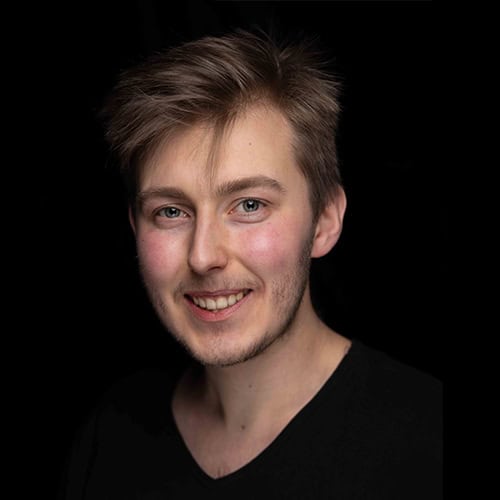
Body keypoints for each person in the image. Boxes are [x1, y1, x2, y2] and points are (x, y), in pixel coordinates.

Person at [59, 29, 442, 499]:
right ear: (136, 228)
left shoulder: (427, 444)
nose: (204, 256)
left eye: (249, 205)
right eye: (171, 212)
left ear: (325, 220)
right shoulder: (112, 431)